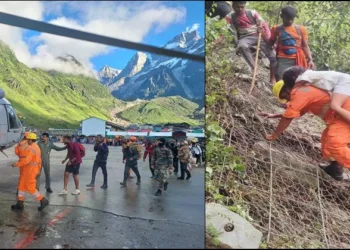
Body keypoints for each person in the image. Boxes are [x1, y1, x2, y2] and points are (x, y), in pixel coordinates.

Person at [259, 74, 350, 181]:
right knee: (326, 140)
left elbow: (288, 117)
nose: (286, 100)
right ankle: (336, 169)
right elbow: (298, 112)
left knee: (334, 142)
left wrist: (274, 135)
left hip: (344, 112)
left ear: (286, 90)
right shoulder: (303, 92)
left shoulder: (301, 92)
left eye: (283, 96)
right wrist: (275, 115)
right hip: (337, 117)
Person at [224, 1, 277, 85]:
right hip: (245, 37)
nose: (240, 9)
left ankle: (272, 78)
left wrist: (269, 39)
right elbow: (223, 30)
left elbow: (265, 26)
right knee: (241, 45)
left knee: (273, 56)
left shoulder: (252, 13)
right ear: (233, 6)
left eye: (242, 7)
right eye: (238, 7)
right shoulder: (230, 16)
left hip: (259, 35)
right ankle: (255, 68)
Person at [277, 66, 350, 125]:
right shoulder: (309, 76)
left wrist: (289, 102)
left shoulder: (303, 77)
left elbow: (294, 90)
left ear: (293, 78)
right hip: (342, 82)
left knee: (335, 106)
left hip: (343, 82)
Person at [267, 5, 314, 81]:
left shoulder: (301, 29)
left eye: (292, 19)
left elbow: (305, 46)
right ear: (282, 16)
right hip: (282, 58)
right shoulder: (276, 29)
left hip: (298, 58)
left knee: (298, 79)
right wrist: (262, 34)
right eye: (287, 19)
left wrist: (310, 59)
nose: (290, 21)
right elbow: (271, 42)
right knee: (280, 78)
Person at [11, 133, 49, 211]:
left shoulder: (32, 148)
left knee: (31, 188)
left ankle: (43, 200)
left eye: (27, 139)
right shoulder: (35, 147)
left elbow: (26, 161)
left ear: (30, 140)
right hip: (27, 170)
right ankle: (20, 203)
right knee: (21, 186)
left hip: (30, 171)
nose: (26, 140)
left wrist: (16, 164)